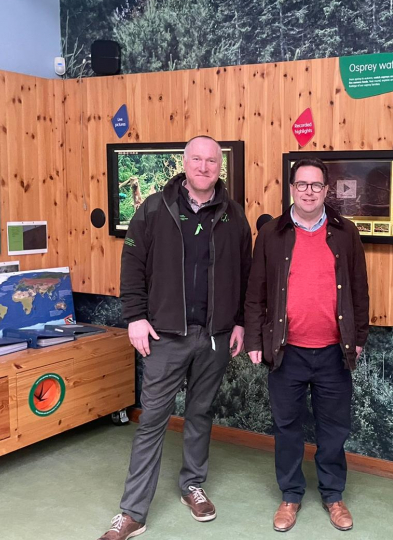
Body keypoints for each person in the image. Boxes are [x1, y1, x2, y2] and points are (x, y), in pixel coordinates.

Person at [98, 136, 252, 540]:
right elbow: (132, 265)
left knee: (200, 413)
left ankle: (192, 486)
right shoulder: (152, 209)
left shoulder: (235, 215)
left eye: (211, 161)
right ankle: (133, 512)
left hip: (215, 336)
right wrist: (134, 317)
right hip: (165, 335)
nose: (204, 167)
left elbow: (246, 273)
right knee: (151, 420)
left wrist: (238, 322)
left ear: (221, 167)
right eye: (196, 159)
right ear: (183, 164)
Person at [244, 158, 369, 533]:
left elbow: (360, 290)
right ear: (291, 189)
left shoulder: (345, 232)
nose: (309, 192)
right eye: (302, 185)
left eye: (316, 185)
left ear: (327, 191)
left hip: (334, 350)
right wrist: (254, 339)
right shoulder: (271, 234)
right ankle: (291, 496)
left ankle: (333, 496)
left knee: (334, 429)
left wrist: (358, 338)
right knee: (287, 428)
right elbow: (255, 293)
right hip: (287, 351)